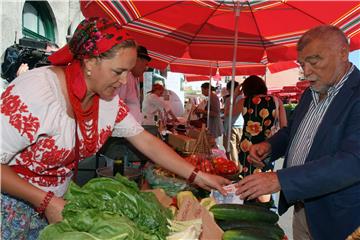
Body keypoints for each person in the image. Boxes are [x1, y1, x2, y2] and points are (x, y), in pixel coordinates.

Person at [0, 17, 230, 239]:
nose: (123, 81)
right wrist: (44, 200)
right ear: (90, 62)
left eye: (128, 72)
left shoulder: (106, 101)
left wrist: (197, 176)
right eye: (118, 72)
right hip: (12, 207)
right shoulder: (36, 92)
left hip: (56, 204)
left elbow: (145, 141)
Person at [235, 25, 360, 239]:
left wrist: (281, 180)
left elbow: (352, 161)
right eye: (302, 64)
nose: (306, 71)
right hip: (302, 208)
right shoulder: (310, 93)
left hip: (338, 218)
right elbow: (293, 131)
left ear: (342, 53)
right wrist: (271, 146)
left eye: (314, 61)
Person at [117, 45, 150, 123]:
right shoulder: (126, 77)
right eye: (145, 64)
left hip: (132, 130)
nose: (146, 68)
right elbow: (118, 105)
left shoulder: (135, 78)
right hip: (123, 131)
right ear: (137, 60)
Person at [223, 81, 244, 165]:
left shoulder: (230, 99)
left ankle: (234, 167)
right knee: (239, 148)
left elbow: (228, 113)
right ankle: (239, 166)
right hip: (241, 125)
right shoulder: (242, 98)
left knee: (232, 149)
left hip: (231, 126)